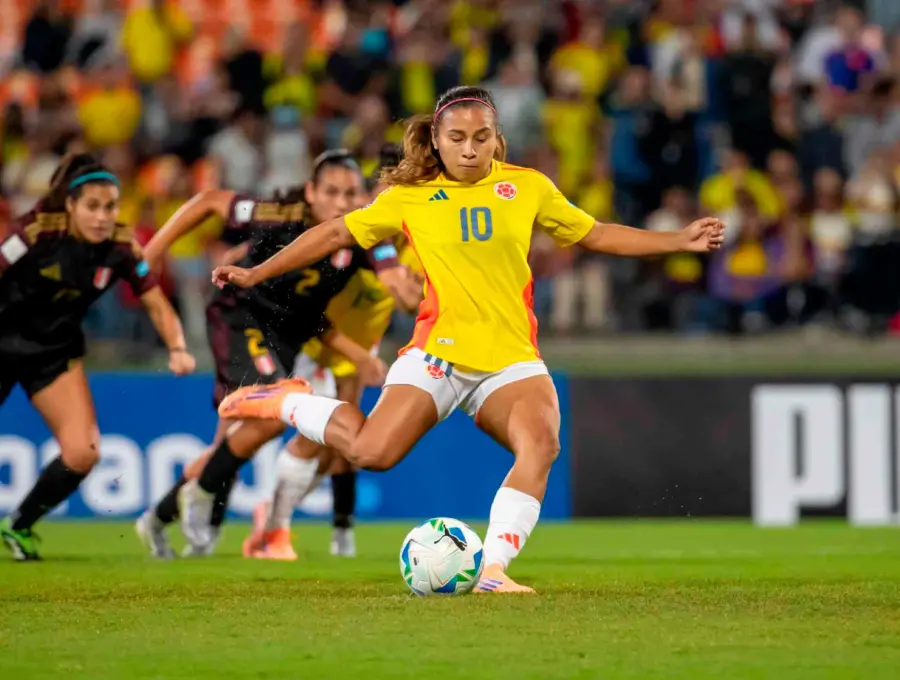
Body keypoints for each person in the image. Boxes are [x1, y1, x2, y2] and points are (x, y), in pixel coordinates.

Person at [207, 86, 725, 592]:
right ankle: (287, 401)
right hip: (438, 354)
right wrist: (256, 273)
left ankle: (493, 571)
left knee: (541, 445)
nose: (470, 149)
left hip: (511, 358)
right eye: (457, 138)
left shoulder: (528, 187)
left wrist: (678, 239)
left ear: (497, 138)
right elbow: (334, 233)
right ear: (436, 140)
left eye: (482, 137)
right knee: (370, 452)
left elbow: (595, 233)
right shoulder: (408, 196)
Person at [135, 150, 419, 557]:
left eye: (350, 194)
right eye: (331, 192)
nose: (341, 202)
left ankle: (159, 518)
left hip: (287, 337)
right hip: (241, 315)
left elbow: (395, 284)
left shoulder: (360, 236)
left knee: (233, 442)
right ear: (310, 192)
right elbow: (210, 202)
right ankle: (204, 497)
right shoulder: (279, 212)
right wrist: (152, 253)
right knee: (271, 415)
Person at [0, 153, 196, 561]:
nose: (102, 217)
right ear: (70, 205)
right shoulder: (34, 232)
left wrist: (178, 348)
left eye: (110, 207)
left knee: (82, 453)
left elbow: (156, 302)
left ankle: (18, 526)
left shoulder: (121, 248)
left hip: (54, 355)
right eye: (92, 206)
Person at [244, 145, 423, 560]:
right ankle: (273, 528)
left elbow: (410, 302)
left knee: (337, 452)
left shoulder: (415, 243)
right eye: (384, 191)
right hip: (318, 344)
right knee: (315, 443)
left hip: (357, 351)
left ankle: (287, 518)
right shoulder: (357, 234)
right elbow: (312, 301)